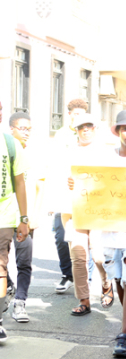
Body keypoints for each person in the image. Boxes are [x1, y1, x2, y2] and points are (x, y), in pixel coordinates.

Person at [69, 110, 126, 357]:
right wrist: (75, 184)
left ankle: (123, 334)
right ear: (117, 131)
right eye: (125, 128)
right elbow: (89, 183)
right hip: (109, 228)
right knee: (117, 278)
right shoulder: (104, 157)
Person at [63, 114, 114, 316]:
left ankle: (105, 283)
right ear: (75, 130)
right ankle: (84, 300)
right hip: (73, 209)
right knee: (78, 257)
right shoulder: (68, 153)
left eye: (89, 126)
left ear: (95, 128)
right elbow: (59, 178)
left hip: (99, 210)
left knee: (99, 256)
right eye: (80, 127)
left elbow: (114, 181)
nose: (85, 129)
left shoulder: (107, 152)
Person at [6, 112, 42, 323]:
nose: (26, 132)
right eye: (22, 128)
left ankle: (20, 302)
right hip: (5, 216)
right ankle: (9, 286)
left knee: (24, 262)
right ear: (11, 129)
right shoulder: (6, 150)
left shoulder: (34, 153)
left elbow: (40, 186)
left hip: (25, 219)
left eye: (29, 128)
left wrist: (34, 214)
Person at [52, 99, 89, 294]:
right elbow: (55, 165)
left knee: (85, 235)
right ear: (69, 115)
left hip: (85, 196)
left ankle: (84, 274)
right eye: (75, 114)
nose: (78, 118)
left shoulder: (90, 133)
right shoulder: (61, 135)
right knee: (60, 235)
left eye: (81, 115)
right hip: (63, 192)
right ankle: (67, 274)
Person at [0, 100, 29, 341]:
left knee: (0, 267)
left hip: (4, 217)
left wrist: (24, 219)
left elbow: (20, 183)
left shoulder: (11, 144)